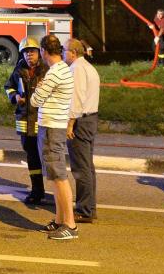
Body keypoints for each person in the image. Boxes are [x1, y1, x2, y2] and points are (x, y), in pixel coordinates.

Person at [30, 34, 78, 240]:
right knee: (55, 176)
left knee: (59, 177)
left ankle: (70, 225)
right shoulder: (63, 69)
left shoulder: (54, 74)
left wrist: (39, 89)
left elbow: (35, 100)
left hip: (51, 128)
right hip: (54, 126)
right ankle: (59, 220)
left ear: (44, 51)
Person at [5, 37, 49, 205]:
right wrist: (15, 96)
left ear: (39, 53)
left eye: (32, 51)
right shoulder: (19, 69)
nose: (29, 55)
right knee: (32, 157)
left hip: (42, 120)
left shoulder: (46, 70)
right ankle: (37, 190)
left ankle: (56, 191)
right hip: (24, 120)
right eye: (26, 52)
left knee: (45, 157)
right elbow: (8, 86)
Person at [66, 38, 100, 224]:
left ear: (72, 52)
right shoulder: (88, 67)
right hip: (90, 119)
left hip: (81, 121)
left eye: (65, 51)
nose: (63, 54)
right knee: (88, 166)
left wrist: (70, 123)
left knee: (81, 168)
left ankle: (84, 210)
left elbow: (76, 98)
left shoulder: (77, 69)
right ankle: (89, 207)